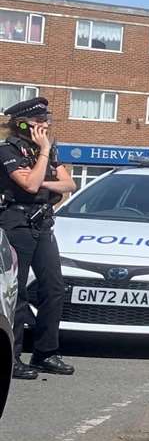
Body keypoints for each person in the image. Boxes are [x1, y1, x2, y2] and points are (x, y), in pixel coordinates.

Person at [0, 97, 76, 380]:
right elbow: (28, 185)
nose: (45, 125)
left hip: (42, 224)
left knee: (54, 288)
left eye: (47, 120)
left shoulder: (48, 150)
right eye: (39, 121)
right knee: (16, 293)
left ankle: (46, 353)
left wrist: (43, 172)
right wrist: (43, 154)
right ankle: (13, 357)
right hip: (16, 223)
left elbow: (69, 184)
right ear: (22, 123)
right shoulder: (7, 151)